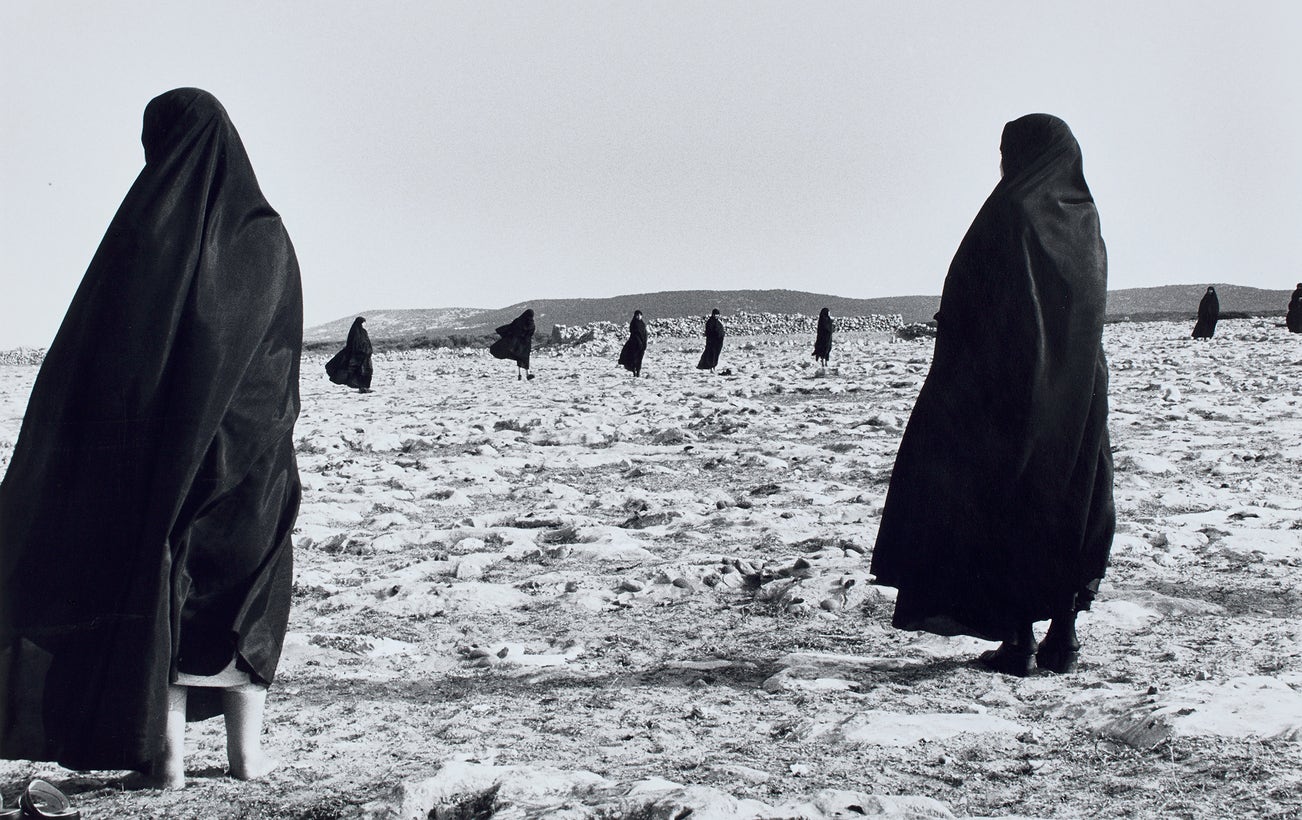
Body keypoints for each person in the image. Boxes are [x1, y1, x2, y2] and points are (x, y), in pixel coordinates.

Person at [0, 88, 301, 788]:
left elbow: (110, 354)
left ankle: (166, 763)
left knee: (165, 585)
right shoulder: (265, 234)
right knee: (247, 593)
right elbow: (275, 353)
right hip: (253, 454)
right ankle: (247, 757)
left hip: (168, 456)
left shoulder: (149, 230)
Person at [870, 114, 1114, 677]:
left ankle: (1019, 639)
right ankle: (1063, 637)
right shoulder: (1085, 220)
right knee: (1071, 502)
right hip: (1078, 391)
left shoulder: (1009, 213)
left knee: (1008, 503)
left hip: (1012, 391)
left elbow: (972, 304)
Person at [325, 316, 374, 392]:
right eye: (363, 323)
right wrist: (361, 351)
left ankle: (365, 387)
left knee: (367, 371)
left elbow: (366, 343)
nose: (365, 324)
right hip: (357, 355)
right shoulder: (355, 332)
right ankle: (362, 388)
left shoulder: (363, 332)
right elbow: (353, 344)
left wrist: (368, 351)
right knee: (358, 371)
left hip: (365, 355)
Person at [490, 308, 535, 380]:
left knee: (518, 357)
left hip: (516, 343)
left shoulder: (519, 321)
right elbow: (531, 333)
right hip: (526, 344)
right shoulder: (531, 323)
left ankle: (520, 374)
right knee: (525, 358)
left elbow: (511, 327)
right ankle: (527, 374)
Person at [618, 310, 647, 377]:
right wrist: (639, 342)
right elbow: (634, 334)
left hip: (642, 345)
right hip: (634, 344)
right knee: (633, 358)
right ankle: (634, 371)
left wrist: (644, 343)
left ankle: (638, 371)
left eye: (640, 315)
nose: (639, 316)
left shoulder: (642, 324)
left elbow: (645, 334)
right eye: (637, 315)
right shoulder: (634, 323)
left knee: (640, 358)